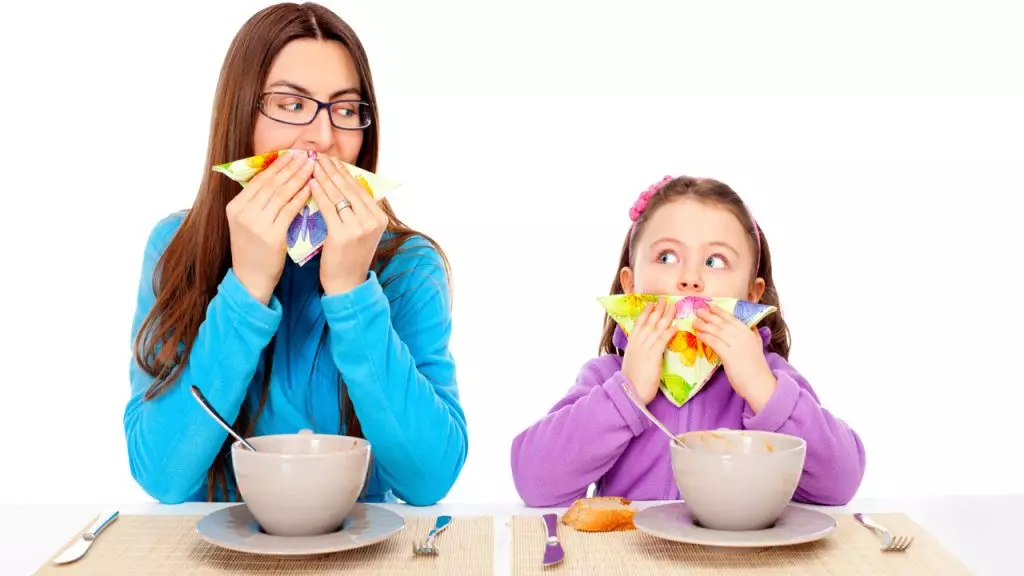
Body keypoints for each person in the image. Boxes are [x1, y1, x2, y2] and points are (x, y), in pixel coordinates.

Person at [124, 2, 467, 506]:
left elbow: (428, 480)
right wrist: (246, 289)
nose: (324, 138)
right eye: (291, 105)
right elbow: (161, 475)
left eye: (346, 110)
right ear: (242, 115)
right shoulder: (175, 248)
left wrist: (352, 294)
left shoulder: (408, 264)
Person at [510, 175, 865, 507]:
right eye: (667, 257)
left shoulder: (771, 377)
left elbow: (840, 483)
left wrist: (762, 390)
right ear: (630, 285)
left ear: (752, 295)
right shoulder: (608, 376)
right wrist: (626, 393)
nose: (690, 279)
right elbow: (534, 481)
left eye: (715, 261)